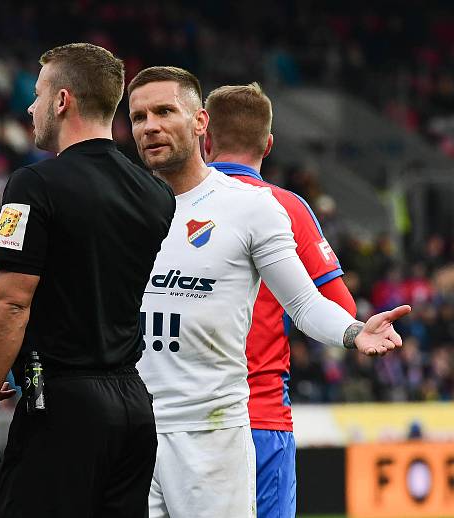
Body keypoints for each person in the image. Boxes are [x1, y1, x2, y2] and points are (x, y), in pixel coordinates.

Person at [126, 66, 410, 518]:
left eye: (164, 111)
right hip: (133, 432)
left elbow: (303, 302)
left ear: (202, 124)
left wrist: (354, 332)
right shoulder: (122, 206)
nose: (150, 126)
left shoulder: (254, 207)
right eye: (139, 117)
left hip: (214, 433)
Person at [0, 43, 175, 518]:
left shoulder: (33, 184)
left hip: (61, 404)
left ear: (62, 101)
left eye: (37, 94)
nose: (30, 107)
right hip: (133, 408)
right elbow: (92, 275)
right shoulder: (157, 193)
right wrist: (10, 279)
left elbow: (12, 306)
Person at [204, 82, 357, 518]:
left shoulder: (171, 205)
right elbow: (341, 309)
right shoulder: (286, 207)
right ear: (268, 144)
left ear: (205, 137)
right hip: (261, 415)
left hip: (183, 417)